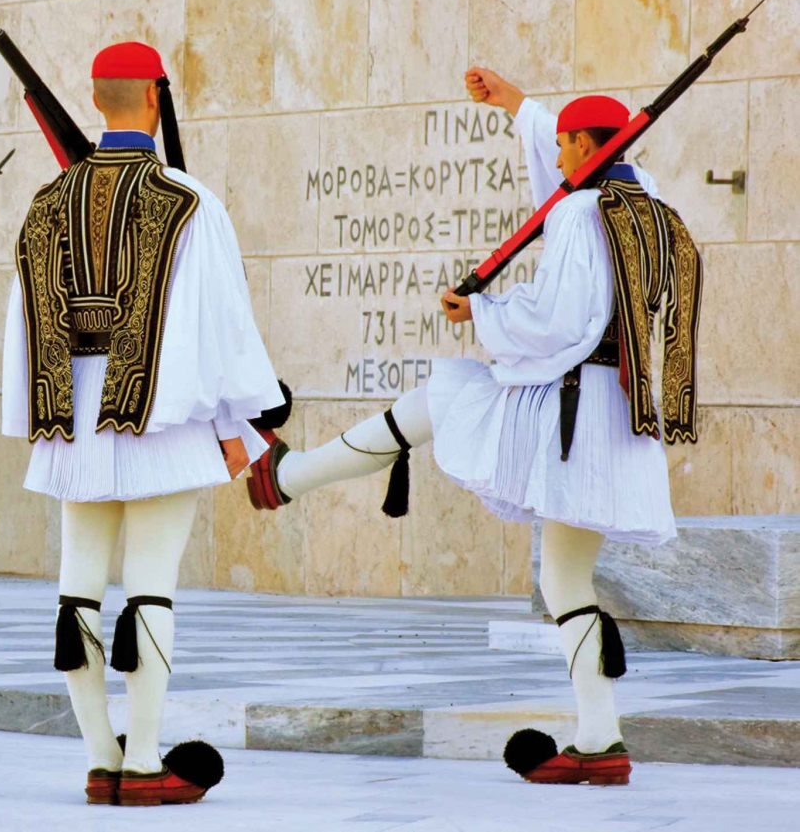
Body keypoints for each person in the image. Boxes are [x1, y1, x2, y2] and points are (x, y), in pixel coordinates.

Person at [250, 67, 702, 786]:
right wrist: (517, 105)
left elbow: (557, 318)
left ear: (589, 148)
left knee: (444, 395)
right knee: (566, 579)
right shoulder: (650, 209)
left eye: (566, 146)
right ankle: (601, 740)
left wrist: (481, 313)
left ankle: (289, 475)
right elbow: (573, 184)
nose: (556, 158)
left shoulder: (582, 216)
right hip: (620, 415)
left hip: (571, 408)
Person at [2, 41, 282, 805]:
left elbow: (25, 319)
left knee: (78, 593)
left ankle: (102, 759)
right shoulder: (189, 200)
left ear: (96, 100)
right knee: (150, 587)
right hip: (162, 418)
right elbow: (219, 321)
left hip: (72, 421)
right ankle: (146, 759)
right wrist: (237, 424)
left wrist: (44, 413)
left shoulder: (46, 202)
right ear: (156, 98)